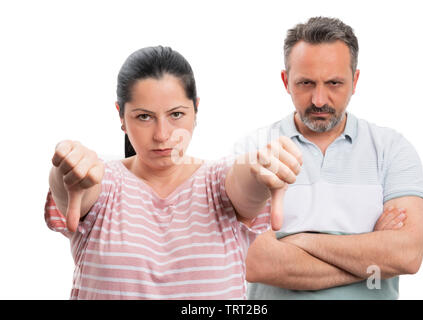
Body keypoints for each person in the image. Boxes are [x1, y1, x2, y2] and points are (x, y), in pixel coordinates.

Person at [44, 46, 303, 299]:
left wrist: (261, 168)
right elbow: (73, 187)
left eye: (176, 114)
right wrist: (66, 168)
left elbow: (244, 179)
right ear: (121, 116)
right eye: (144, 117)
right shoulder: (102, 182)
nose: (162, 135)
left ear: (196, 110)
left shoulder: (218, 183)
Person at [234, 17, 423, 299]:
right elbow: (255, 262)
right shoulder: (252, 150)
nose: (319, 100)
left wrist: (296, 240)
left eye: (334, 83)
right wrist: (370, 254)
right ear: (286, 81)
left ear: (355, 80)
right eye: (306, 83)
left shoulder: (392, 149)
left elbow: (407, 255)